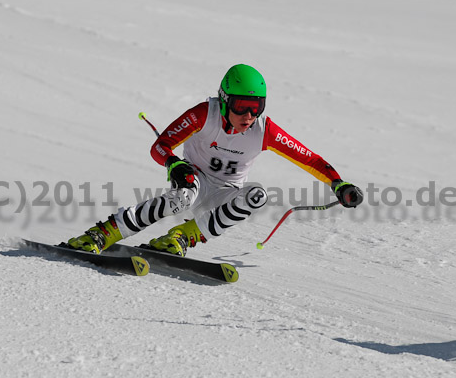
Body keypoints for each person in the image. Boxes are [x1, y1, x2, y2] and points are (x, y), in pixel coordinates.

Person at [66, 64, 363, 256]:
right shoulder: (202, 114)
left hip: (224, 196)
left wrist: (339, 184)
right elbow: (160, 147)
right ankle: (102, 234)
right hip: (193, 181)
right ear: (224, 100)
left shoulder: (264, 130)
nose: (249, 116)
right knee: (182, 194)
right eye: (242, 106)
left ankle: (180, 238)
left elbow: (308, 159)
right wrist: (175, 164)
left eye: (256, 107)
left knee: (258, 195)